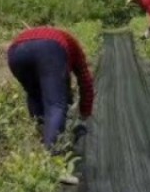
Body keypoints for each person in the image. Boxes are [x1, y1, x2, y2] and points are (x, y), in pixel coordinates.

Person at [7, 26, 94, 156]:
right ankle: (52, 159)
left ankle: (42, 140)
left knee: (35, 95)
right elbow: (85, 80)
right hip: (49, 48)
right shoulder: (74, 48)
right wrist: (85, 112)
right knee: (56, 105)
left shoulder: (63, 42)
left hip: (16, 52)